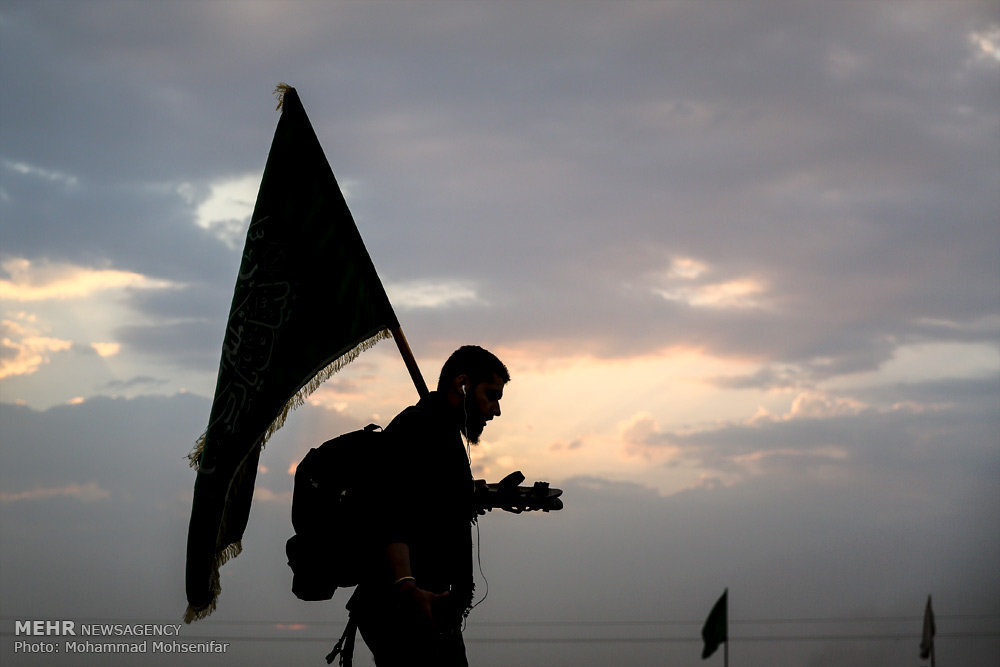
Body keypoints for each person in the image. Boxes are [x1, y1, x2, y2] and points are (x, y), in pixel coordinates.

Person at [351, 345, 510, 666]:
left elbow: (428, 501)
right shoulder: (420, 426)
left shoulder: (443, 432)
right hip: (406, 607)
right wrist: (406, 585)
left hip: (432, 605)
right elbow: (389, 508)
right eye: (491, 395)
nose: (496, 410)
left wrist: (480, 494)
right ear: (462, 384)